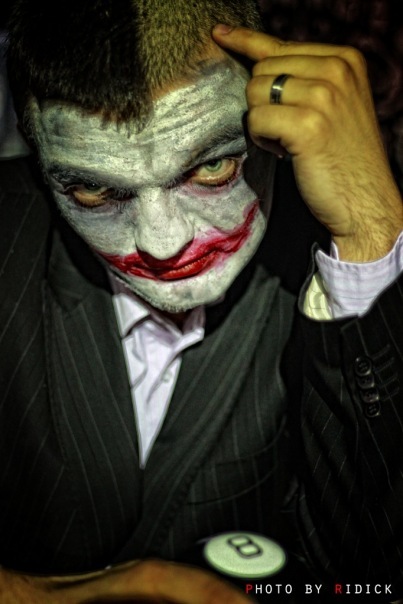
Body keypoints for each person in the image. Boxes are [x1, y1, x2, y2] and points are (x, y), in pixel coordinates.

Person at [1, 0, 403, 602]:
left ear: (271, 129)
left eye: (212, 167)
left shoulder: (325, 259)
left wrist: (370, 229)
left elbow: (373, 572)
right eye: (93, 190)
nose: (163, 243)